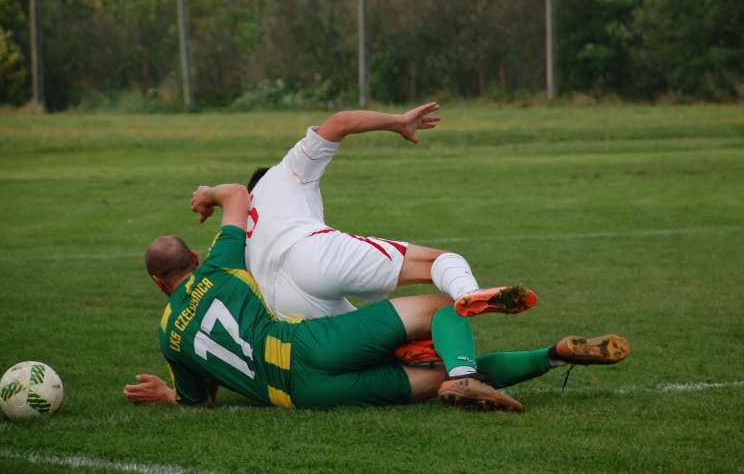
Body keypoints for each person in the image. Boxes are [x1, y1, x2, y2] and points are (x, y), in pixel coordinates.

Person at [125, 183, 630, 412]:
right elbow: (239, 193)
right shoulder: (220, 266)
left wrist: (168, 395)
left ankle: (549, 357)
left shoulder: (167, 335)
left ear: (157, 283)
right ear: (193, 255)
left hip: (299, 397)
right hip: (307, 345)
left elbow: (200, 399)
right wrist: (207, 195)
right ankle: (475, 371)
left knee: (428, 385)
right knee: (438, 309)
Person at [198, 102, 538, 363]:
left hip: (285, 309)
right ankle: (468, 294)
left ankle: (404, 353)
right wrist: (399, 122)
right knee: (442, 261)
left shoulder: (242, 229)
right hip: (310, 253)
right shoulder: (285, 171)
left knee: (373, 337)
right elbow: (341, 122)